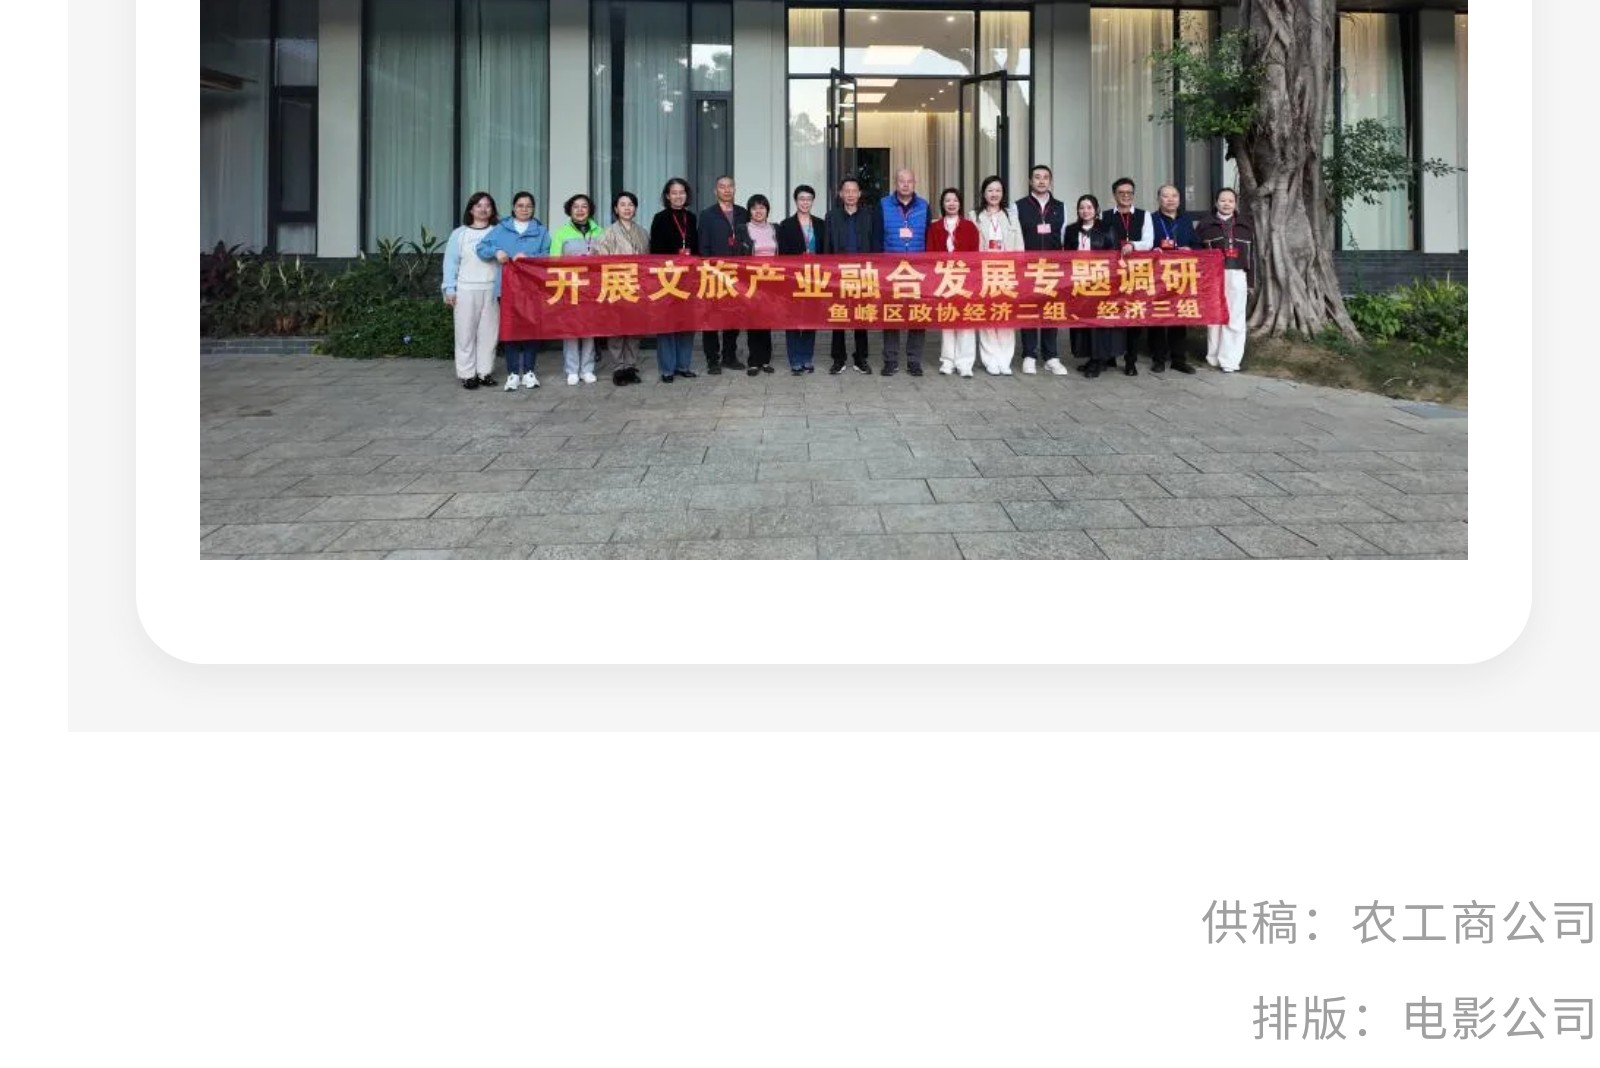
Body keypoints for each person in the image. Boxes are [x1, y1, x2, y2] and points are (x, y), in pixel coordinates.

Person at [479, 190, 550, 391]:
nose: (524, 209)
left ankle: (529, 371)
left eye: (528, 206)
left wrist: (529, 257)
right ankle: (512, 373)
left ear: (533, 209)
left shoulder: (540, 231)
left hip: (532, 288)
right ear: (513, 207)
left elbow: (548, 255)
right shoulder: (501, 228)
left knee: (531, 329)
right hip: (507, 287)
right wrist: (496, 252)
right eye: (520, 205)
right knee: (510, 329)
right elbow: (481, 248)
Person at [442, 191, 501, 390]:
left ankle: (485, 372)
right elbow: (450, 263)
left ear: (492, 210)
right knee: (465, 333)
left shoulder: (498, 232)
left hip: (491, 289)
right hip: (466, 289)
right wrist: (449, 288)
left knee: (489, 334)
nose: (483, 209)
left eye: (487, 206)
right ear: (471, 209)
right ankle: (467, 374)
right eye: (479, 205)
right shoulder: (459, 234)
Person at [592, 190, 650, 387]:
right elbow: (599, 260)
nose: (627, 208)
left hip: (636, 286)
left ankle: (631, 365)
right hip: (616, 284)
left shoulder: (642, 232)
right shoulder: (607, 233)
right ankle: (619, 367)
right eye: (622, 205)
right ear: (616, 209)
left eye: (630, 205)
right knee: (616, 328)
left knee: (634, 328)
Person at [1194, 187, 1254, 374]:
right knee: (1214, 316)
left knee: (1235, 317)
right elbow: (1198, 254)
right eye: (1222, 200)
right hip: (1213, 276)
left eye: (1230, 201)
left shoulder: (1245, 225)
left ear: (1235, 204)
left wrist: (1251, 281)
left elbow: (1252, 255)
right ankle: (1213, 355)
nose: (1226, 204)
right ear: (1216, 203)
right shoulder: (1205, 225)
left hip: (1237, 274)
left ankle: (1230, 360)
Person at [825, 177, 881, 375]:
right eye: (846, 191)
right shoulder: (832, 216)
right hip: (838, 274)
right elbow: (827, 245)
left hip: (863, 273)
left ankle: (861, 358)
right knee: (838, 315)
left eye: (854, 191)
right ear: (841, 194)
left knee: (861, 316)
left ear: (859, 194)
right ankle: (838, 359)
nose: (850, 194)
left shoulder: (869, 215)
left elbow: (875, 244)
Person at [1060, 194, 1120, 378]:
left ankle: (1098, 359)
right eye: (1081, 208)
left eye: (1089, 207)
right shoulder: (1071, 230)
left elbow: (1114, 255)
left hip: (1100, 281)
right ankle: (1090, 356)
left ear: (1096, 210)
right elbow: (1066, 255)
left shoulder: (1107, 228)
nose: (1085, 211)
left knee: (1098, 322)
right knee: (1082, 321)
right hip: (1078, 282)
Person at [1014, 164, 1066, 374]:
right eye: (1037, 177)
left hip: (1052, 268)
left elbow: (1064, 237)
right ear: (1030, 181)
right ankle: (1029, 354)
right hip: (1027, 267)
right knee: (1028, 310)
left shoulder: (1060, 206)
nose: (1041, 181)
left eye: (1045, 177)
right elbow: (1016, 236)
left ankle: (1051, 356)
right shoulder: (1018, 206)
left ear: (1050, 181)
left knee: (1051, 311)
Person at [647, 178, 699, 383]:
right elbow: (655, 251)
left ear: (687, 195)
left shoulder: (691, 218)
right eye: (674, 193)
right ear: (667, 196)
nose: (678, 196)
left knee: (687, 322)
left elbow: (697, 247)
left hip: (688, 278)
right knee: (667, 323)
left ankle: (683, 365)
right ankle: (667, 369)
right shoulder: (660, 218)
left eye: (682, 192)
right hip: (667, 278)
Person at [878, 168, 930, 375]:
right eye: (901, 181)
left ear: (915, 183)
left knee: (917, 314)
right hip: (891, 270)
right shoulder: (883, 205)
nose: (906, 184)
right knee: (891, 314)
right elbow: (877, 237)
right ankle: (890, 360)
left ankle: (914, 361)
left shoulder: (924, 206)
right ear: (895, 183)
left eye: (909, 181)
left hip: (918, 270)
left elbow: (929, 236)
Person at [548, 194, 604, 385]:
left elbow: (606, 259)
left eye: (584, 206)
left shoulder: (599, 231)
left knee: (590, 329)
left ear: (590, 210)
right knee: (570, 329)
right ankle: (572, 369)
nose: (580, 210)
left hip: (592, 288)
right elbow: (553, 260)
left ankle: (587, 368)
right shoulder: (561, 233)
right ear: (570, 210)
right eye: (576, 207)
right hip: (569, 286)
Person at [970, 174, 1023, 375]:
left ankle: (1004, 359)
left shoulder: (1011, 215)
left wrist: (1019, 271)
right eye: (990, 190)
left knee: (1005, 315)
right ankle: (990, 359)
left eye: (998, 190)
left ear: (1003, 193)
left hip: (1007, 272)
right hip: (984, 272)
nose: (994, 194)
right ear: (984, 193)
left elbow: (1019, 245)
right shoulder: (974, 216)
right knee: (987, 316)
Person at [696, 175, 748, 373]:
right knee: (711, 318)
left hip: (737, 274)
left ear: (734, 189)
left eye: (730, 186)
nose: (726, 190)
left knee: (733, 317)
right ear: (715, 191)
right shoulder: (707, 214)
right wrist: (709, 269)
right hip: (713, 273)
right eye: (722, 187)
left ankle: (729, 356)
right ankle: (712, 359)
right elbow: (703, 245)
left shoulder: (743, 213)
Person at [1103, 177, 1154, 374]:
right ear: (1114, 195)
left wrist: (1133, 244)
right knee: (1111, 313)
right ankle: (1109, 356)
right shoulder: (1105, 215)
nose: (1125, 196)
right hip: (1112, 273)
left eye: (1129, 193)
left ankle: (1130, 360)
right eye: (1121, 193)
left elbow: (1148, 242)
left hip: (1136, 272)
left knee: (1133, 315)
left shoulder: (1144, 215)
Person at [926, 187, 979, 377]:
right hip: (944, 279)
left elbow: (975, 255)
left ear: (960, 203)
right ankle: (947, 360)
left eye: (955, 200)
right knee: (948, 319)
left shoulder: (970, 227)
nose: (951, 204)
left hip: (965, 279)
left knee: (966, 320)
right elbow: (930, 255)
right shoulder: (935, 227)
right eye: (947, 200)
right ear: (942, 204)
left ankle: (965, 363)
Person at [1146, 183, 1198, 374]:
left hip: (1181, 275)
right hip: (1157, 275)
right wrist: (1153, 249)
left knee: (1179, 316)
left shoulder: (1186, 220)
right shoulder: (1151, 219)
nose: (1170, 200)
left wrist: (1190, 249)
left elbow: (1197, 244)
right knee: (1158, 316)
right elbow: (1144, 244)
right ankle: (1158, 359)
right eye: (1165, 196)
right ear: (1158, 199)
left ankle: (1178, 359)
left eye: (1174, 196)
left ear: (1179, 199)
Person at [776, 184, 827, 374]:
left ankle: (807, 358)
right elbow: (782, 254)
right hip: (794, 278)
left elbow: (826, 252)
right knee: (793, 320)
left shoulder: (820, 224)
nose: (805, 202)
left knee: (811, 319)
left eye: (808, 199)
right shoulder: (786, 225)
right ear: (796, 201)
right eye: (801, 199)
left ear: (813, 201)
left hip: (815, 278)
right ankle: (795, 359)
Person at [734, 194, 780, 376]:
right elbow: (737, 255)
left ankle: (766, 360)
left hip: (772, 282)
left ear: (767, 210)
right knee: (753, 321)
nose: (758, 211)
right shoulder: (742, 229)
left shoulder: (776, 229)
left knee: (767, 321)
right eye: (754, 208)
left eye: (762, 207)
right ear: (750, 211)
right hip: (751, 281)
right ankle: (754, 361)